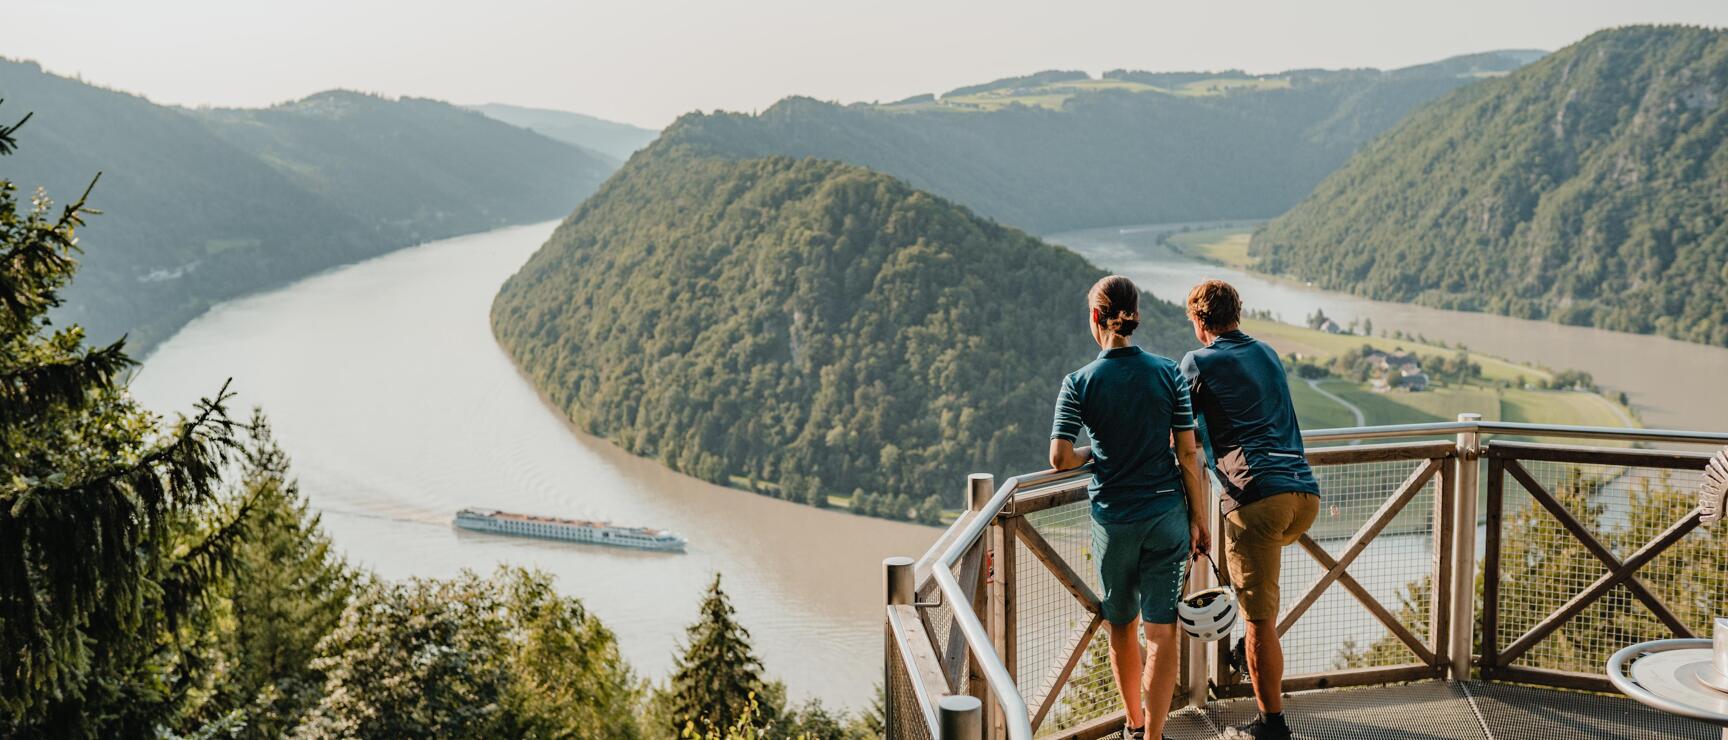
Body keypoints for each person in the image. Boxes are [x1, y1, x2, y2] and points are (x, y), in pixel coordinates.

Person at [1049, 275, 1210, 740]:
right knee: (1163, 633)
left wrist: (1091, 455)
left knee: (1122, 624)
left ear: (1096, 318)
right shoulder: (1167, 373)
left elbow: (1059, 458)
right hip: (1168, 517)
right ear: (1134, 314)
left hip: (1115, 520)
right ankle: (1156, 736)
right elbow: (1186, 453)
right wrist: (1198, 518)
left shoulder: (1079, 382)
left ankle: (1134, 726)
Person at [1179, 279, 1321, 740]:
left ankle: (1271, 725)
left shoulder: (1197, 361)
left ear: (1200, 322)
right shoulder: (1267, 353)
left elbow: (1179, 430)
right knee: (1258, 609)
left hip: (1255, 497)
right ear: (1236, 314)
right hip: (1303, 492)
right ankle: (1251, 651)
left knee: (1260, 621)